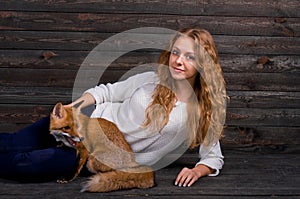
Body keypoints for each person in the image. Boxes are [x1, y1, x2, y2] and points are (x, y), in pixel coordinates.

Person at [0, 27, 226, 187]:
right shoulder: (151, 78)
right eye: (176, 52)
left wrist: (197, 170)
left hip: (99, 154)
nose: (178, 61)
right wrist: (72, 108)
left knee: (24, 163)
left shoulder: (200, 112)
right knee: (13, 142)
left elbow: (213, 156)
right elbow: (106, 91)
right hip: (82, 122)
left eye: (190, 57)